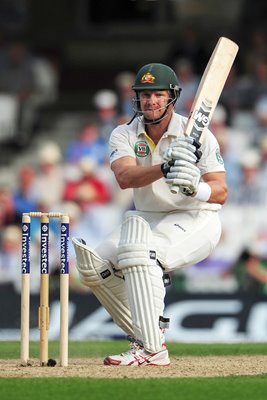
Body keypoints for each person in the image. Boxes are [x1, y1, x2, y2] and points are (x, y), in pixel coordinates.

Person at [72, 63, 227, 366]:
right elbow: (125, 177)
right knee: (94, 266)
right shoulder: (123, 134)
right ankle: (147, 337)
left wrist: (195, 188)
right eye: (145, 95)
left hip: (196, 218)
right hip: (149, 216)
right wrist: (165, 168)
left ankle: (152, 350)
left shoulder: (199, 135)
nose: (151, 101)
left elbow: (221, 191)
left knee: (144, 254)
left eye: (157, 94)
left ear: (171, 97)